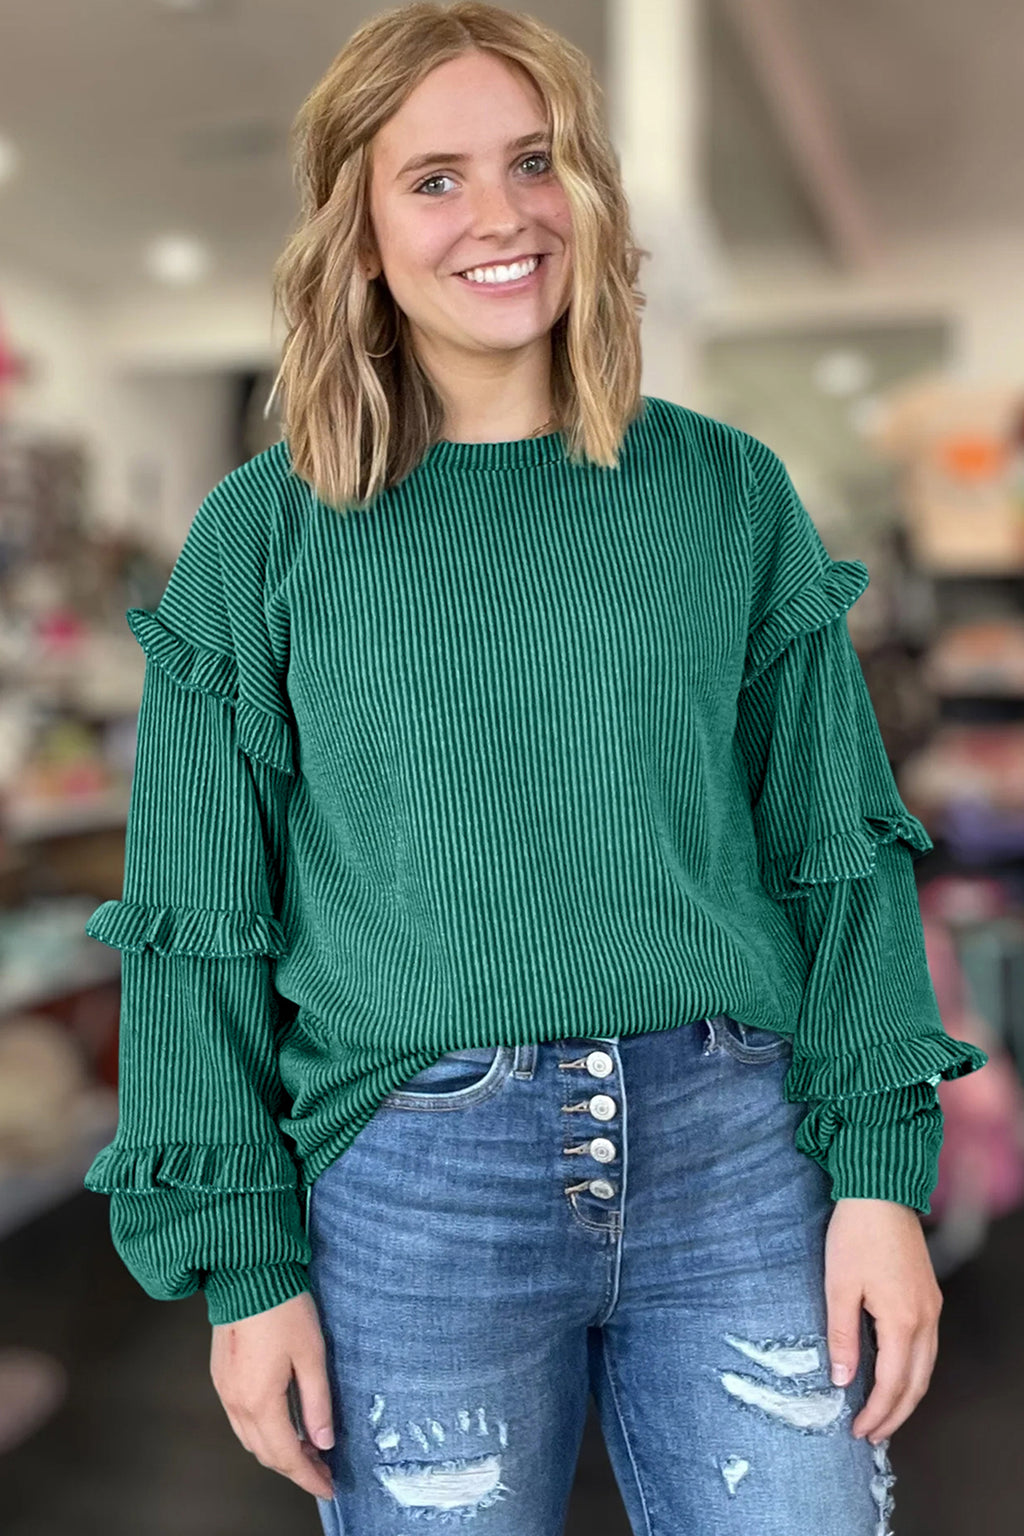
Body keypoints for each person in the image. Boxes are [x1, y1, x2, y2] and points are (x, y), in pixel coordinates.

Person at [81, 5, 989, 1532]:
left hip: (736, 1150)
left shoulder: (725, 491)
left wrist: (884, 1178)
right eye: (432, 178)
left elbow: (834, 849)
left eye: (536, 159)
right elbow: (198, 925)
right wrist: (247, 1263)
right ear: (360, 233)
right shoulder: (265, 533)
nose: (499, 214)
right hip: (417, 1178)